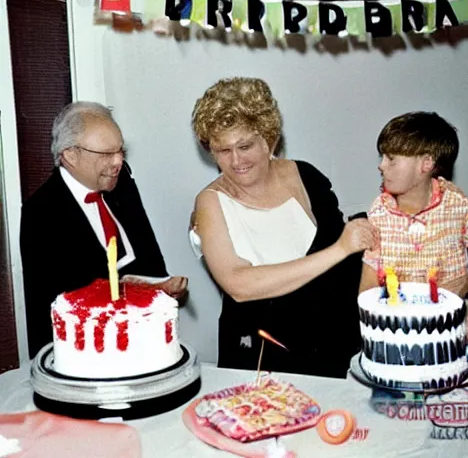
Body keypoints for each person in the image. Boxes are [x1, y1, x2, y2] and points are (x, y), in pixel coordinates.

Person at [190, 77, 378, 378]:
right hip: (263, 359)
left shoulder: (307, 176)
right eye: (222, 150)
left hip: (335, 347)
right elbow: (239, 286)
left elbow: (346, 269)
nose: (236, 160)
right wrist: (340, 249)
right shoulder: (210, 202)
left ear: (269, 138)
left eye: (245, 145)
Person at [20, 102, 188, 358]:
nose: (118, 162)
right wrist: (133, 290)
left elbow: (148, 255)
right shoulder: (41, 211)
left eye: (121, 151)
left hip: (143, 341)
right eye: (106, 154)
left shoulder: (121, 185)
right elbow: (63, 304)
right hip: (89, 355)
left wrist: (164, 286)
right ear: (70, 155)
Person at [359, 111, 468, 349]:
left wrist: (462, 284)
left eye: (391, 158)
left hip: (454, 334)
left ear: (426, 164)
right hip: (402, 336)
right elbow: (368, 286)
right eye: (382, 156)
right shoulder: (379, 213)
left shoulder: (457, 204)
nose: (381, 165)